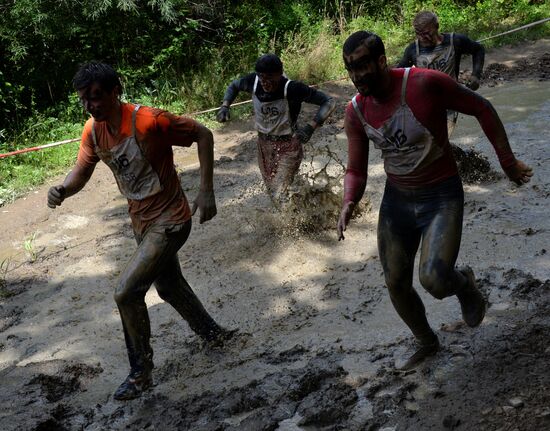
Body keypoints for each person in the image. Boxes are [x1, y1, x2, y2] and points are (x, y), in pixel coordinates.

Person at [338, 31, 532, 370]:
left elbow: (481, 108)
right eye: (350, 69)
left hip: (441, 194)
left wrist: (508, 163)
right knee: (395, 282)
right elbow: (356, 168)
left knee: (434, 279)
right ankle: (427, 341)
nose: (356, 77)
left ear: (382, 61)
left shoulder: (424, 84)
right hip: (397, 200)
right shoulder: (355, 111)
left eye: (363, 67)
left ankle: (465, 285)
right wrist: (348, 202)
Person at [47, 62, 232, 400]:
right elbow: (81, 171)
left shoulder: (149, 121)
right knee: (169, 286)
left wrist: (206, 190)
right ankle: (214, 335)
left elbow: (202, 134)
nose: (90, 105)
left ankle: (140, 374)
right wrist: (63, 189)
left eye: (96, 97)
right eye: (84, 100)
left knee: (126, 292)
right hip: (141, 222)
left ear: (116, 91)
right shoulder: (93, 131)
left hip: (172, 218)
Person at [216, 53, 336, 201]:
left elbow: (329, 102)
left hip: (289, 145)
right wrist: (225, 106)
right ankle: (301, 205)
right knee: (272, 189)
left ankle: (292, 221)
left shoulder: (292, 88)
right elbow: (234, 86)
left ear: (280, 74)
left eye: (270, 78)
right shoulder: (253, 81)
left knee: (278, 190)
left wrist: (310, 127)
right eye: (262, 77)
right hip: (264, 146)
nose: (265, 83)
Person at [398, 11, 485, 135]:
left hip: (450, 101)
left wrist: (476, 75)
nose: (423, 38)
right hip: (425, 102)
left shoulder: (454, 41)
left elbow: (478, 49)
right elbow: (399, 73)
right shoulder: (413, 50)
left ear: (437, 27)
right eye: (419, 34)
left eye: (427, 33)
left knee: (442, 137)